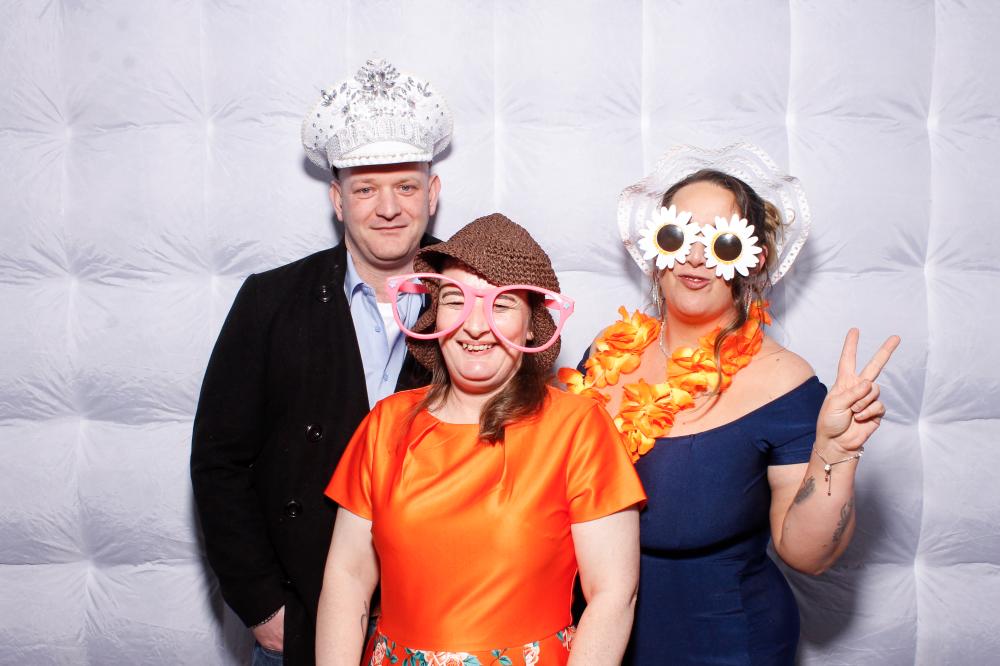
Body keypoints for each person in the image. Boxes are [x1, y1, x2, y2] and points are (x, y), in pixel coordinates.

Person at [559, 143, 900, 665]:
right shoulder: (607, 352)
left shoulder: (785, 383)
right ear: (655, 245)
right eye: (678, 235)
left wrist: (835, 452)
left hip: (724, 643)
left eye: (721, 243)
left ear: (752, 260)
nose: (696, 257)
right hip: (596, 637)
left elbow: (807, 555)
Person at [190, 59, 452, 666]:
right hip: (303, 620)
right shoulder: (270, 301)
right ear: (337, 199)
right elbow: (219, 462)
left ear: (432, 195)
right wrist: (263, 609)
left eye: (405, 187)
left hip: (441, 622)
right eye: (365, 189)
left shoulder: (481, 300)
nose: (387, 207)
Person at [316, 213, 647, 666]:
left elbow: (613, 594)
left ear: (532, 325)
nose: (475, 325)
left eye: (501, 305)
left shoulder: (577, 428)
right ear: (435, 315)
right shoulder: (386, 423)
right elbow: (348, 577)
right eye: (456, 300)